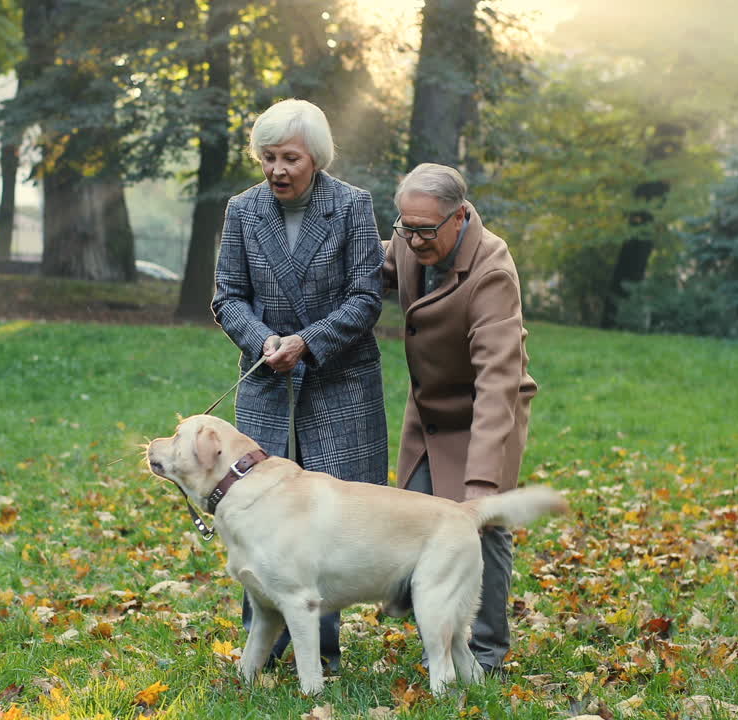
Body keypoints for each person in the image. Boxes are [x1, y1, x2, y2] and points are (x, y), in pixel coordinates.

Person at [211, 98, 389, 673]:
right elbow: (227, 296)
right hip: (267, 382)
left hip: (340, 383)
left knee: (325, 520)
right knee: (257, 511)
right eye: (268, 157)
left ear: (316, 157)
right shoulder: (243, 210)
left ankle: (323, 652)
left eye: (289, 158)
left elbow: (366, 298)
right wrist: (264, 340)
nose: (277, 169)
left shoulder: (353, 206)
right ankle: (261, 650)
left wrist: (307, 342)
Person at [380, 162, 537, 676]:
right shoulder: (410, 237)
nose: (413, 241)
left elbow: (498, 381)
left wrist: (482, 482)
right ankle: (440, 642)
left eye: (425, 230)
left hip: (486, 414)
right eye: (405, 228)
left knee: (483, 527)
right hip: (430, 410)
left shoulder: (491, 271)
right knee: (419, 518)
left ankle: (488, 653)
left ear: (460, 215)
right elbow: (381, 271)